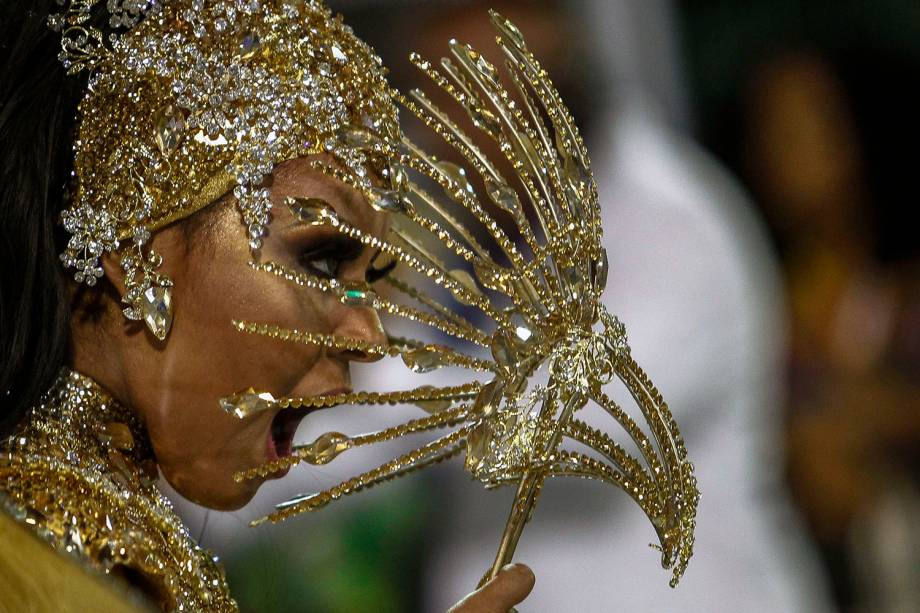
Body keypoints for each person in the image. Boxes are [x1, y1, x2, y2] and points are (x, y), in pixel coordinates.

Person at [0, 1, 535, 610]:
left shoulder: (103, 532)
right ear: (135, 249)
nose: (369, 338)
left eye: (370, 279)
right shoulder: (34, 552)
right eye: (321, 259)